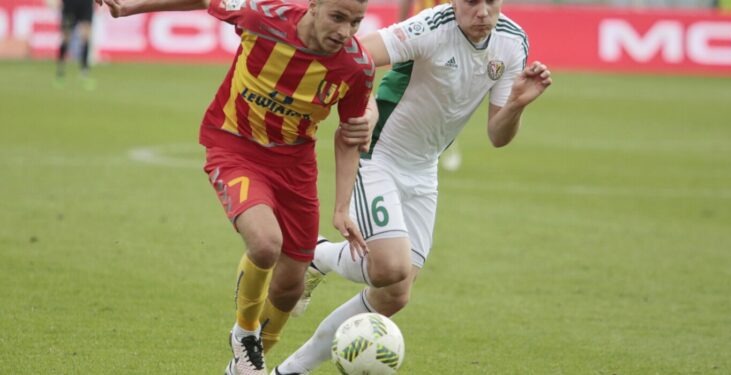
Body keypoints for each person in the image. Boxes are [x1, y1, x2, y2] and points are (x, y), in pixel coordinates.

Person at [96, 0, 378, 373]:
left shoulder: (356, 66)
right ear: (313, 6)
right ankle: (244, 335)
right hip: (234, 145)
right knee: (265, 244)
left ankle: (242, 365)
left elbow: (349, 135)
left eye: (355, 22)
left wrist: (341, 208)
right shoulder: (262, 16)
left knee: (290, 287)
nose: (345, 31)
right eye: (337, 17)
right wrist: (132, 8)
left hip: (296, 165)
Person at [274, 0, 552, 373]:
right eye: (472, 2)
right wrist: (365, 109)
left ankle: (290, 370)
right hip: (380, 155)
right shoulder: (430, 27)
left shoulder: (512, 42)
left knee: (395, 292)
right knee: (390, 268)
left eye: (492, 2)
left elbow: (497, 136)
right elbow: (355, 53)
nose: (483, 12)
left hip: (424, 170)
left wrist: (516, 105)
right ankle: (317, 254)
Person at [399, 0, 463, 172]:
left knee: (439, 91)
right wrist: (401, 25)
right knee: (419, 89)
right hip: (422, 31)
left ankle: (433, 143)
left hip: (445, 33)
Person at [55, 0, 96, 88]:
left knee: (86, 36)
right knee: (66, 38)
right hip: (70, 3)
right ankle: (60, 71)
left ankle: (84, 73)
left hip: (85, 3)